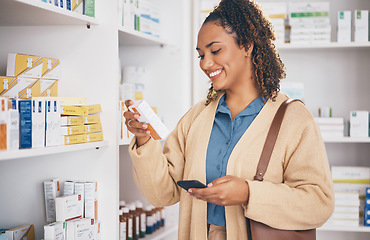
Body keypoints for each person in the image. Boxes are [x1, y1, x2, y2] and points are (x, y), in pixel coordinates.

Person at [124, 0, 334, 239]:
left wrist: (248, 193)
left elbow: (318, 204)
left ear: (247, 45)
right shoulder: (196, 117)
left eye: (215, 51)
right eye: (201, 55)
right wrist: (143, 139)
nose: (205, 63)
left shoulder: (294, 119)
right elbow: (163, 193)